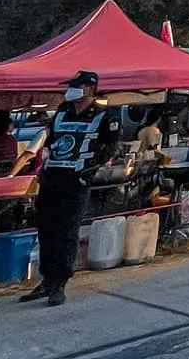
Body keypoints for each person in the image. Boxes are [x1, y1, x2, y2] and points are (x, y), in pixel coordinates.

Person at [23, 71, 119, 307]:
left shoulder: (104, 115)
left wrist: (90, 170)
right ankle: (47, 279)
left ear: (89, 89)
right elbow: (51, 140)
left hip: (76, 180)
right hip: (52, 176)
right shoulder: (63, 110)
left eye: (76, 86)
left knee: (67, 230)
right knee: (46, 228)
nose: (71, 91)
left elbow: (110, 147)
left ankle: (60, 282)